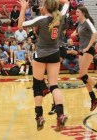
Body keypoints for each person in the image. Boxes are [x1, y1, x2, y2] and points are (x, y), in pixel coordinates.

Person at [18, 0, 69, 130]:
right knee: (54, 86)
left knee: (37, 86)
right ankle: (61, 114)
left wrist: (24, 7)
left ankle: (39, 116)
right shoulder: (60, 16)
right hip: (54, 54)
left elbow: (20, 26)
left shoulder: (41, 19)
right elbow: (67, 2)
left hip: (40, 55)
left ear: (45, 7)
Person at [72, 6, 97, 111]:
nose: (75, 13)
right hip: (82, 50)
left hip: (88, 50)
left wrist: (88, 46)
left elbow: (95, 34)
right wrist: (74, 33)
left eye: (77, 12)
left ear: (83, 13)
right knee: (82, 76)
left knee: (82, 74)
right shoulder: (80, 24)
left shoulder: (87, 22)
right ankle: (93, 99)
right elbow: (76, 33)